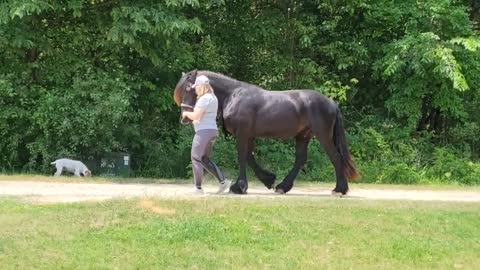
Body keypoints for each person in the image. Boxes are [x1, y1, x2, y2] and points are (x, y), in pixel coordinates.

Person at [182, 75, 231, 194]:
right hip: (212, 131)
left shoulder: (204, 99)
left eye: (196, 87)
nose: (195, 89)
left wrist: (186, 114)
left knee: (195, 157)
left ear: (201, 86)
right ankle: (224, 182)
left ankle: (198, 188)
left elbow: (196, 116)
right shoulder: (213, 98)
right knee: (204, 159)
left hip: (203, 132)